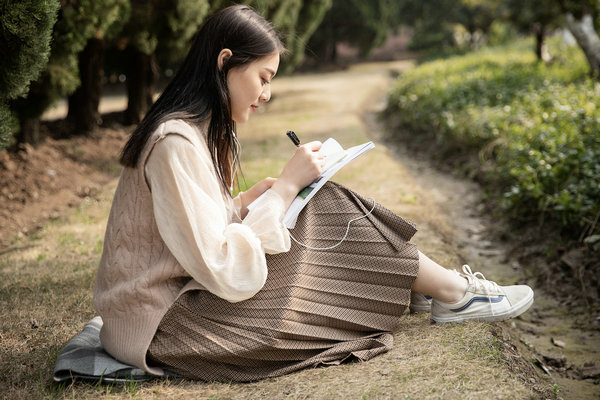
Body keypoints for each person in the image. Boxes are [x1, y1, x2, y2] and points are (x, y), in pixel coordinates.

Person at [93, 5, 534, 382]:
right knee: (319, 204)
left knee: (316, 198)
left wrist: (247, 201)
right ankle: (450, 293)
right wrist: (283, 189)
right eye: (263, 78)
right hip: (168, 328)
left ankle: (434, 287)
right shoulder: (175, 141)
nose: (266, 94)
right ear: (225, 62)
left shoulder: (192, 132)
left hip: (178, 309)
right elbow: (224, 268)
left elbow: (188, 229)